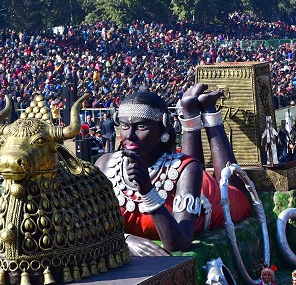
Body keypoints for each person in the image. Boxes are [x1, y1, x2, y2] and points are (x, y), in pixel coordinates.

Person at [95, 85, 251, 256]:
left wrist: (148, 191)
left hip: (208, 196)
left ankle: (208, 110)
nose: (129, 135)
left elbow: (178, 244)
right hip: (181, 174)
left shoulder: (188, 169)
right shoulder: (105, 165)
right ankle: (190, 111)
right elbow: (90, 228)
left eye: (141, 127)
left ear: (163, 129)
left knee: (237, 196)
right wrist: (125, 240)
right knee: (186, 164)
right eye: (124, 125)